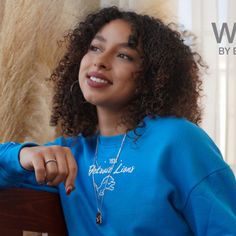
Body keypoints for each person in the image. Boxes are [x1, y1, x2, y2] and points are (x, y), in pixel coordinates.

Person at [0, 6, 236, 236]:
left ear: (151, 76)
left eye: (124, 55)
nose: (100, 61)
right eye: (94, 47)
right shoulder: (68, 154)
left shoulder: (179, 140)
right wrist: (22, 155)